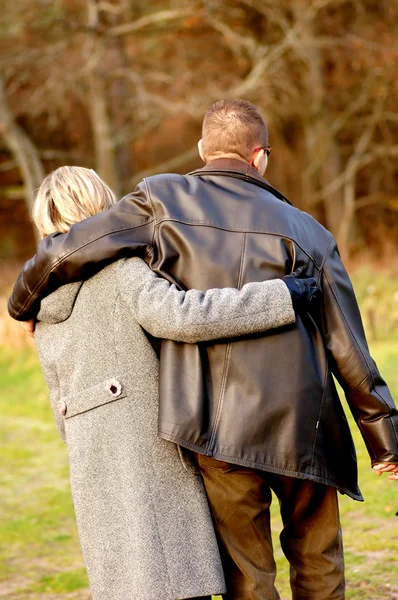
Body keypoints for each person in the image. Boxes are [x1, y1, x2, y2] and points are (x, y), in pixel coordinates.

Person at [9, 101, 398, 600]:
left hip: (218, 425)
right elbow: (349, 345)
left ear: (201, 149)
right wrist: (383, 434)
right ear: (261, 157)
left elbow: (68, 248)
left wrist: (23, 303)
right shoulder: (312, 233)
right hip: (305, 424)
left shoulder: (161, 200)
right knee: (318, 560)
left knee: (247, 573)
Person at [27, 166, 317, 600]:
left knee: (131, 585)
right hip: (149, 456)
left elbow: (58, 404)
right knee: (176, 580)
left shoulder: (40, 307)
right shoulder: (120, 271)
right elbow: (185, 315)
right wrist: (280, 295)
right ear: (99, 205)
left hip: (91, 463)